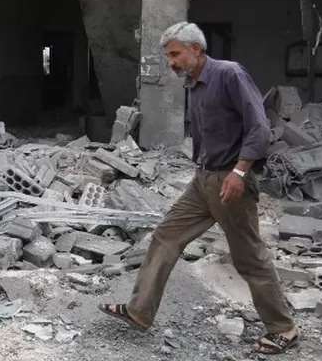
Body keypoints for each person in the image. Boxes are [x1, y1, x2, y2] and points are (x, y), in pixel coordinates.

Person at [99, 22, 300, 355]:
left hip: (230, 180)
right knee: (166, 235)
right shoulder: (193, 84)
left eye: (175, 54)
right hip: (204, 180)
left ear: (196, 49)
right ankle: (139, 312)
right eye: (168, 56)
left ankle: (284, 329)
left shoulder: (229, 74)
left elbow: (259, 128)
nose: (171, 63)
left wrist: (239, 172)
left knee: (249, 257)